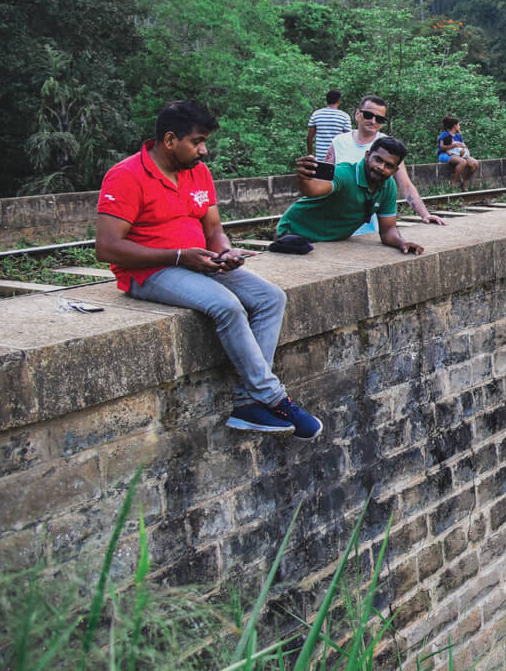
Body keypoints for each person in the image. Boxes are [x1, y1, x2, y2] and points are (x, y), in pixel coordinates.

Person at [95, 100, 322, 438]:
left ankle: (248, 403)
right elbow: (107, 247)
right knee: (226, 305)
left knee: (270, 297)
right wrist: (177, 256)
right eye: (197, 141)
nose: (204, 150)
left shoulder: (198, 172)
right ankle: (274, 397)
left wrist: (226, 252)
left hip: (197, 260)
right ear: (170, 140)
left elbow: (213, 229)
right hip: (149, 271)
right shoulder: (126, 176)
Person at [325, 95, 447, 235]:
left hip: (369, 229)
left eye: (379, 119)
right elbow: (324, 181)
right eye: (368, 115)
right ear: (358, 114)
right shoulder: (338, 142)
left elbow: (405, 184)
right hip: (336, 224)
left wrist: (425, 214)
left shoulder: (388, 147)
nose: (373, 121)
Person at [281, 137, 424, 255]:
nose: (381, 167)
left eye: (389, 165)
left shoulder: (388, 187)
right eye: (378, 160)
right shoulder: (345, 174)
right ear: (367, 155)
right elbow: (312, 190)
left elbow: (387, 230)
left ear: (395, 170)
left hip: (330, 241)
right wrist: (303, 178)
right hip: (296, 233)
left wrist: (402, 243)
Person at [437, 116, 480, 190]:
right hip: (445, 154)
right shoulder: (445, 134)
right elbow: (442, 147)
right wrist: (453, 145)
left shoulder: (458, 136)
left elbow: (464, 146)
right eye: (458, 125)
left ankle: (465, 182)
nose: (459, 127)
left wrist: (463, 146)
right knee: (463, 162)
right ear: (454, 126)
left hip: (459, 154)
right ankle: (453, 183)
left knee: (475, 163)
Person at [306, 89, 352, 159]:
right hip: (337, 158)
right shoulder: (344, 116)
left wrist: (310, 155)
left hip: (320, 159)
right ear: (339, 101)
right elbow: (348, 139)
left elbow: (309, 138)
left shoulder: (316, 114)